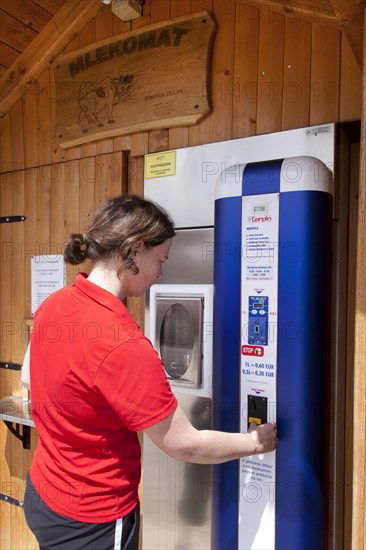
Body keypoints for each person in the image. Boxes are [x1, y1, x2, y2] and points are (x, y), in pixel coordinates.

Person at [21, 194, 277, 550]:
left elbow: (29, 377)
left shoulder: (55, 303)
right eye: (160, 259)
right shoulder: (122, 342)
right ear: (135, 249)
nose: (161, 272)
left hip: (43, 495)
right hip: (91, 517)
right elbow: (183, 445)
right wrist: (254, 442)